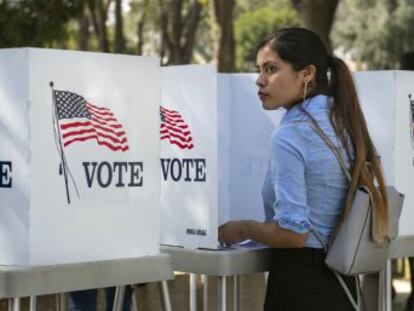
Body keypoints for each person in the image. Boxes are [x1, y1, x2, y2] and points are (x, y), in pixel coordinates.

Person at [218, 27, 389, 311]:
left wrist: (244, 228)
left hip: (299, 285)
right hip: (343, 283)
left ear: (307, 73)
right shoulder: (344, 120)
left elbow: (293, 233)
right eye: (258, 69)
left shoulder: (291, 135)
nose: (259, 80)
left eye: (271, 69)